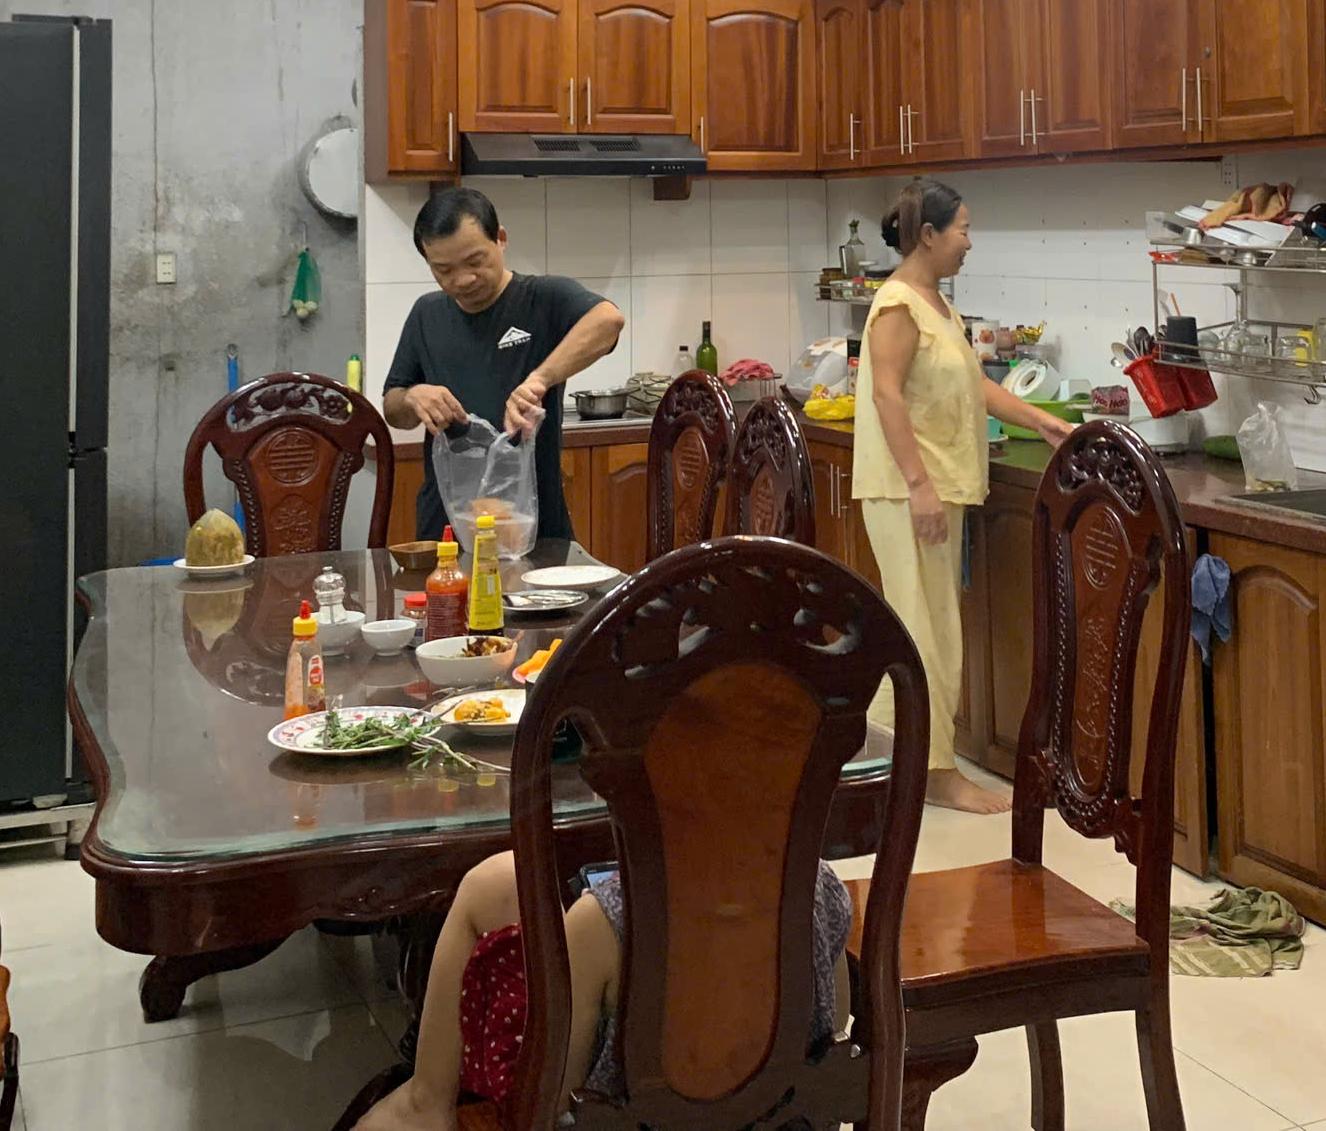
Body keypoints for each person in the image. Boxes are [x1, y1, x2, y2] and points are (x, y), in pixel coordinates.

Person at [353, 847, 852, 1131]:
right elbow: (832, 1033)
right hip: (777, 1113)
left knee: (492, 887)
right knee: (501, 881)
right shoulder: (824, 886)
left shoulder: (600, 924)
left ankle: (426, 1103)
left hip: (615, 1112)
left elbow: (550, 1106)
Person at [854, 178, 1072, 814]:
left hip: (936, 487)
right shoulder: (898, 305)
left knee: (925, 630)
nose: (970, 243)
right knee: (928, 636)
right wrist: (919, 485)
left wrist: (1043, 421)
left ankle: (882, 763)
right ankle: (935, 773)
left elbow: (976, 384)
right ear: (929, 235)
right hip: (906, 491)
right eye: (963, 230)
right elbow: (887, 395)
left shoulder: (938, 305)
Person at [381, 187, 626, 544]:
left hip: (532, 523)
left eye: (475, 261)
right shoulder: (426, 314)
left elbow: (608, 321)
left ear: (501, 239)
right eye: (443, 270)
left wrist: (539, 379)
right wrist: (413, 396)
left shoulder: (542, 298)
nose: (462, 279)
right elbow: (394, 411)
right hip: (447, 525)